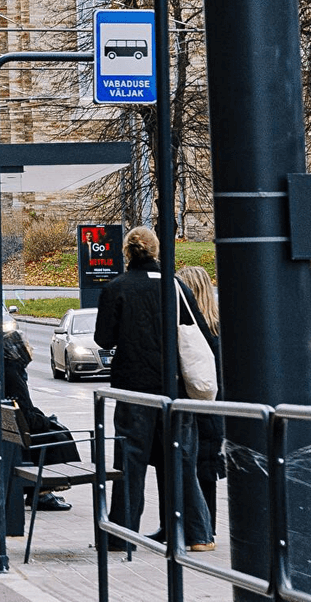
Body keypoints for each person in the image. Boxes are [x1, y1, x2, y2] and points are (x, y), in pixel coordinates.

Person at [94, 227, 215, 552]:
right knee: (180, 461)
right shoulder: (175, 286)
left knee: (129, 464)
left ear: (126, 252)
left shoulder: (116, 288)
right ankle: (197, 534)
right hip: (174, 391)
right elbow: (198, 332)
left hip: (134, 391)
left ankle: (122, 535)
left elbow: (103, 339)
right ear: (157, 250)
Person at [0, 331, 77, 511]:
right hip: (20, 437)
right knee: (58, 435)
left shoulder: (3, 368)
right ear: (15, 350)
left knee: (55, 428)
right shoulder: (12, 373)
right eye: (26, 345)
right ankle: (42, 491)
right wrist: (45, 421)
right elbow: (27, 417)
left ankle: (44, 489)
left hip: (10, 430)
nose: (31, 348)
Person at [175, 265, 225, 536]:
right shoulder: (219, 327)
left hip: (198, 404)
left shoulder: (192, 331)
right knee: (206, 470)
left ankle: (200, 528)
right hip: (216, 407)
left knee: (194, 465)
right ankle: (206, 526)